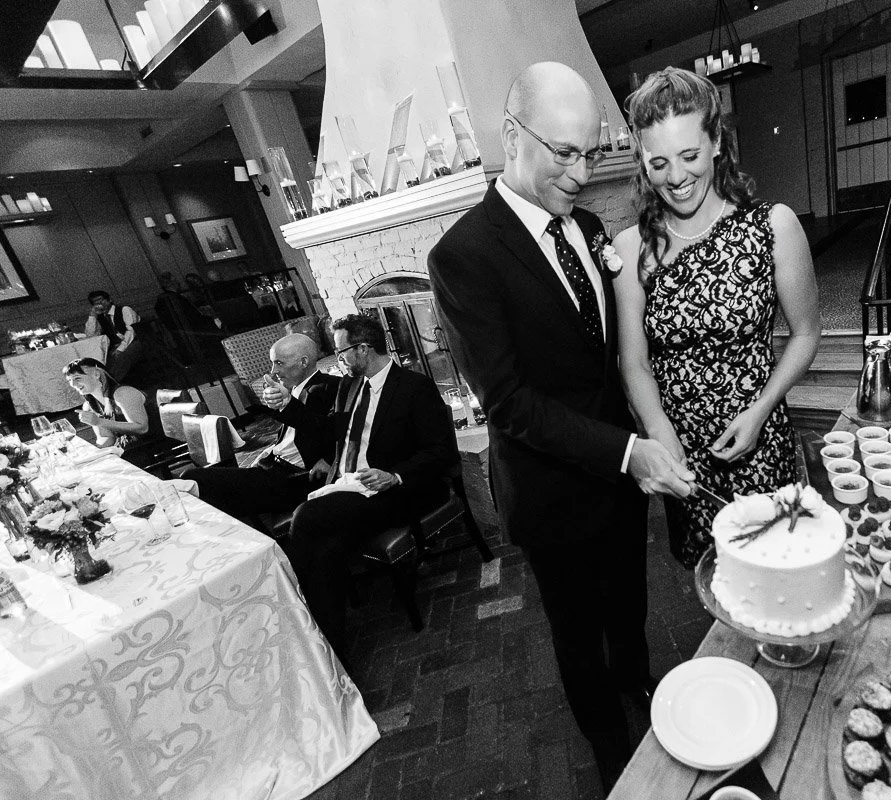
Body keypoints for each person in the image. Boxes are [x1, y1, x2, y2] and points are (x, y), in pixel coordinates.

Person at [428, 62, 694, 791]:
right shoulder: (462, 255)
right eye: (563, 153)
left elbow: (601, 360)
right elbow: (509, 401)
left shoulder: (586, 227)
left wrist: (646, 436)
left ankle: (641, 691)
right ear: (511, 136)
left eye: (591, 152)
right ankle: (613, 754)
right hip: (553, 492)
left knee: (630, 607)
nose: (580, 174)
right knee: (579, 638)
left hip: (617, 477)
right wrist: (629, 453)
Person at [613, 67, 820, 570]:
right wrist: (659, 430)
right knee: (717, 582)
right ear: (641, 160)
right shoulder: (630, 249)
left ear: (717, 144)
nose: (676, 178)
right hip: (682, 449)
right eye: (658, 162)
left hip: (759, 433)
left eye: (689, 156)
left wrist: (761, 410)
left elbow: (806, 334)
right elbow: (634, 363)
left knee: (778, 567)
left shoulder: (774, 226)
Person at [270, 314, 457, 660]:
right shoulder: (349, 385)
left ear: (364, 349)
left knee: (306, 518)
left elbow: (440, 451)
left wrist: (394, 475)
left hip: (393, 491)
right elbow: (327, 432)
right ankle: (330, 654)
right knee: (325, 552)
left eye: (341, 352)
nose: (338, 360)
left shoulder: (414, 387)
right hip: (348, 486)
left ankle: (299, 626)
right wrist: (288, 405)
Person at [181, 333, 337, 523]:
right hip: (271, 466)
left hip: (294, 478)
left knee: (202, 487)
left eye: (279, 363)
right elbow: (291, 435)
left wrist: (331, 458)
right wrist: (269, 451)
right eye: (272, 363)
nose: (273, 371)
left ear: (304, 362)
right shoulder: (293, 388)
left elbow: (330, 427)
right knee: (192, 478)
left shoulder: (329, 387)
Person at [63, 357, 149, 448]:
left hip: (152, 446)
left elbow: (142, 428)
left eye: (77, 378)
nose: (73, 384)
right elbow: (107, 438)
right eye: (69, 380)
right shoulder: (88, 406)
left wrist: (99, 421)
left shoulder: (122, 393)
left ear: (96, 374)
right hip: (129, 449)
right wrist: (94, 451)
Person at [154, 272, 222, 364]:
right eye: (175, 279)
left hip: (178, 336)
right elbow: (194, 318)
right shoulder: (178, 299)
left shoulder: (159, 303)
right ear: (173, 282)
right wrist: (212, 319)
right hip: (194, 332)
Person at [83, 290, 143, 381]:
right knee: (102, 360)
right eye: (95, 302)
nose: (99, 303)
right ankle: (108, 382)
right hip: (115, 345)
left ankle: (113, 382)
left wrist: (120, 348)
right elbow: (90, 335)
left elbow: (131, 331)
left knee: (123, 355)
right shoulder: (101, 317)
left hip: (136, 340)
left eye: (101, 300)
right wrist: (92, 315)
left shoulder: (124, 310)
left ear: (109, 300)